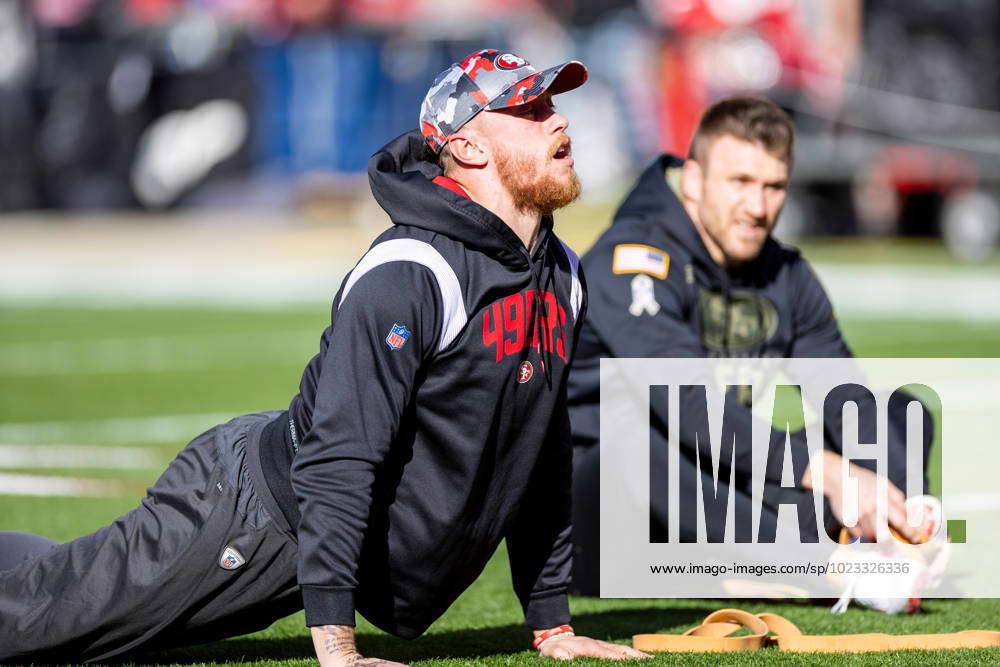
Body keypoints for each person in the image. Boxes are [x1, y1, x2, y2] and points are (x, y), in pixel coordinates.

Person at [0, 49, 649, 665]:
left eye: (551, 104)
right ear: (467, 147)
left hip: (305, 535)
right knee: (38, 629)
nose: (558, 118)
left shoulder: (560, 273)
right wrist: (337, 645)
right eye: (529, 110)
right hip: (251, 510)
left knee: (75, 595)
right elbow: (342, 453)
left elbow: (541, 447)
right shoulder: (412, 269)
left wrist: (552, 622)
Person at [566, 97, 933, 596]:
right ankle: (827, 567)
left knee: (898, 409)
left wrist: (895, 498)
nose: (758, 208)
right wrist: (823, 469)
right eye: (740, 183)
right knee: (635, 437)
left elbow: (846, 397)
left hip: (715, 486)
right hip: (607, 509)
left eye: (774, 187)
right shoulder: (632, 260)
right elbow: (687, 407)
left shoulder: (785, 272)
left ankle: (884, 542)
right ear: (693, 181)